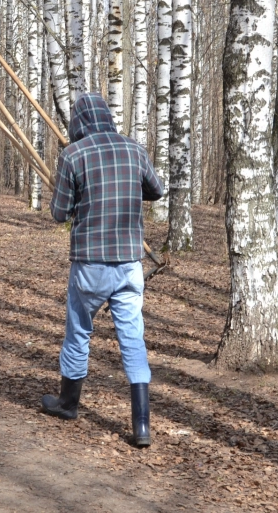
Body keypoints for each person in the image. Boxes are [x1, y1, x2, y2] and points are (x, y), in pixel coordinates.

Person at [43, 92, 164, 448]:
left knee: (79, 331)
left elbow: (58, 214)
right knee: (132, 339)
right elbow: (155, 192)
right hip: (129, 265)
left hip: (91, 265)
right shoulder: (134, 149)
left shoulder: (72, 155)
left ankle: (68, 404)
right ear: (106, 118)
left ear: (78, 122)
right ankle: (141, 425)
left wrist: (75, 193)